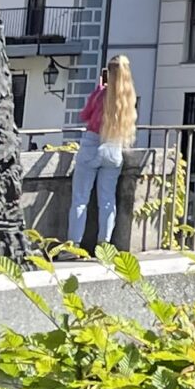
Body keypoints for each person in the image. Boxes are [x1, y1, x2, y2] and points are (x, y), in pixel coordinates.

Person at [66, 55, 137, 249]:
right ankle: (104, 244)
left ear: (109, 73)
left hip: (91, 145)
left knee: (80, 199)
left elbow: (84, 115)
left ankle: (73, 245)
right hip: (113, 148)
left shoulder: (100, 94)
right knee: (107, 201)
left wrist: (98, 89)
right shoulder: (128, 98)